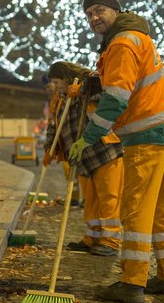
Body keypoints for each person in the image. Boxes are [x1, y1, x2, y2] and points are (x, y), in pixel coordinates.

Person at [68, 0, 164, 303]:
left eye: (99, 10)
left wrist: (88, 138)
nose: (94, 17)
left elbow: (117, 99)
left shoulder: (121, 43)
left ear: (115, 10)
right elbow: (124, 83)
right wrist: (94, 81)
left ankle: (131, 282)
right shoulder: (133, 38)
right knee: (162, 211)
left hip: (147, 137)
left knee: (135, 211)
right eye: (89, 13)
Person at [43, 59, 124, 257]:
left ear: (67, 77)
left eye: (57, 81)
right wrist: (49, 148)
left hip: (103, 153)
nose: (55, 86)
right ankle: (93, 237)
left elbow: (100, 88)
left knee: (109, 198)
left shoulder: (89, 84)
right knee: (90, 200)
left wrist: (80, 90)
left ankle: (111, 240)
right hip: (81, 158)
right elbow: (55, 125)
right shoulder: (61, 98)